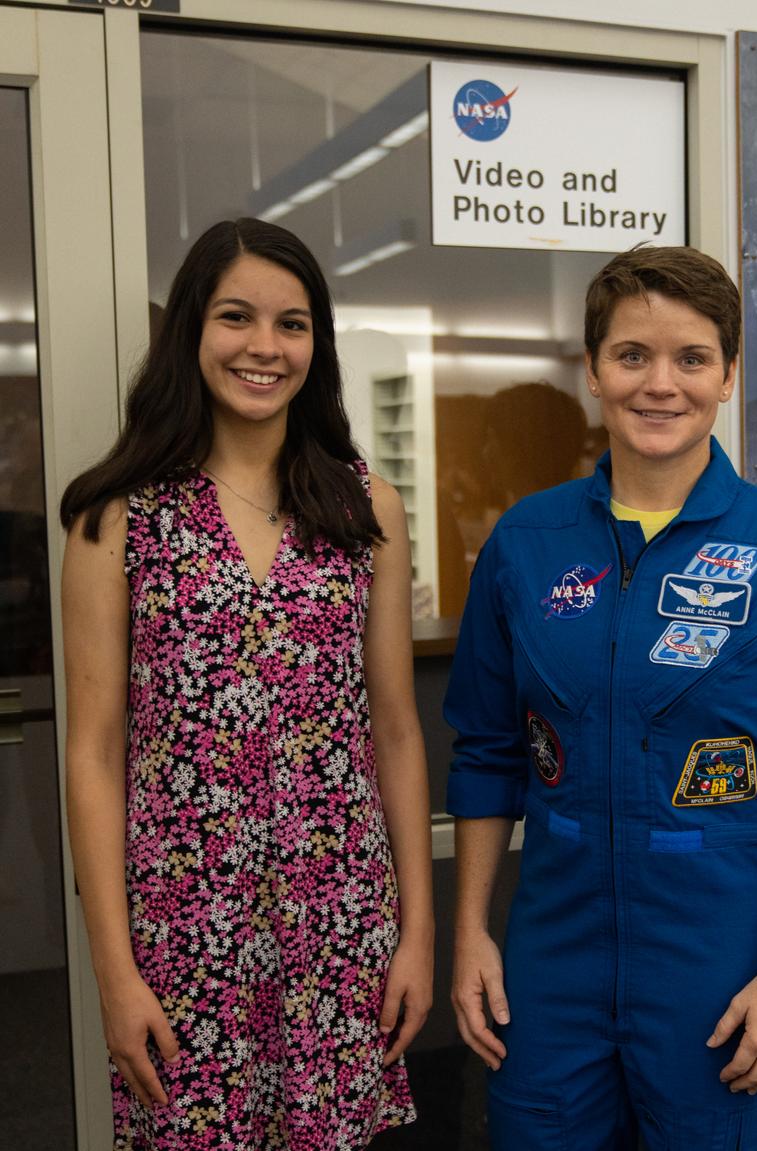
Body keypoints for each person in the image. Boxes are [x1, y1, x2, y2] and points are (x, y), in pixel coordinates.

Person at [445, 244, 757, 1149]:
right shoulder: (525, 544)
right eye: (632, 356)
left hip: (722, 962)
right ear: (593, 371)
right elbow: (489, 751)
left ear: (729, 374)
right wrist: (471, 933)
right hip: (554, 956)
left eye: (692, 358)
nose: (661, 384)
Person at [60, 218, 433, 1149]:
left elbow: (395, 729)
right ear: (191, 330)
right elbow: (94, 751)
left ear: (319, 343)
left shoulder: (363, 507)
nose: (265, 347)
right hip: (187, 932)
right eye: (237, 317)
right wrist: (114, 969)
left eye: (293, 324)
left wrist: (416, 932)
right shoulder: (120, 518)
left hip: (340, 919)